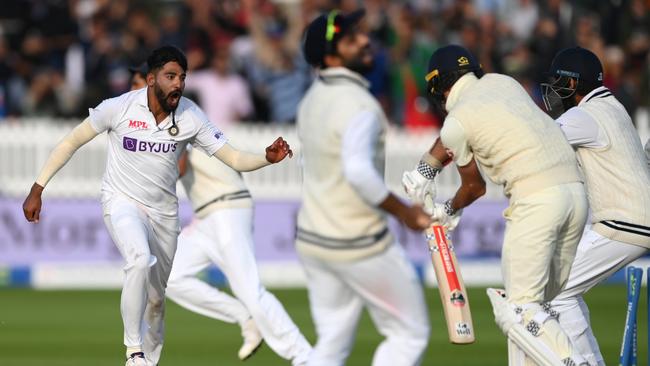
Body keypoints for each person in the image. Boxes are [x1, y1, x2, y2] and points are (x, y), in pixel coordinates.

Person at [22, 45, 293, 366]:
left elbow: (232, 157)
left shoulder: (191, 115)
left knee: (156, 301)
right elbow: (71, 142)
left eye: (182, 77)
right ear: (151, 80)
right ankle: (133, 352)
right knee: (138, 260)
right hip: (121, 200)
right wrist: (38, 187)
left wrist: (265, 157)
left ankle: (148, 361)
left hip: (164, 214)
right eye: (170, 76)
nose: (178, 83)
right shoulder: (119, 107)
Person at [402, 44, 589, 365]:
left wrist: (446, 210)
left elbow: (473, 187)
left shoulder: (456, 121)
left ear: (438, 87)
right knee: (540, 308)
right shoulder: (504, 83)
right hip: (576, 196)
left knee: (517, 311)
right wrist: (425, 170)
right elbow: (458, 134)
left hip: (536, 201)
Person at [141, 67, 312, 364]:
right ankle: (243, 316)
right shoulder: (188, 126)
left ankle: (305, 356)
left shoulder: (188, 124)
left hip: (227, 208)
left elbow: (178, 168)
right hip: (208, 216)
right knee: (170, 276)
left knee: (249, 288)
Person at [297, 9, 431, 366]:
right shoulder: (359, 105)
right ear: (330, 55)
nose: (364, 40)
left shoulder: (312, 98)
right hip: (357, 244)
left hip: (313, 239)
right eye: (350, 38)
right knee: (409, 333)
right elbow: (357, 171)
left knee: (332, 342)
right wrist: (404, 212)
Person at [540, 47, 650, 366]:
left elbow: (539, 144)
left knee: (555, 290)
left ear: (575, 84)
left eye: (559, 81)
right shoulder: (610, 106)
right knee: (563, 290)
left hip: (625, 222)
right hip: (628, 220)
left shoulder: (582, 115)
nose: (553, 89)